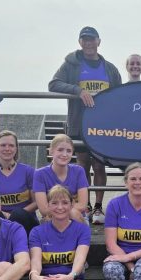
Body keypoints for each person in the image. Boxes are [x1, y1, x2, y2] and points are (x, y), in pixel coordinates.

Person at [48, 26, 122, 225]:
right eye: (85, 39)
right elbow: (53, 84)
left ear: (99, 41)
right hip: (78, 124)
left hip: (102, 127)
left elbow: (119, 97)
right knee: (82, 166)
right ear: (80, 42)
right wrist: (78, 91)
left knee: (99, 165)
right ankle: (85, 205)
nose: (89, 43)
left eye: (92, 39)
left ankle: (98, 207)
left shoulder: (110, 69)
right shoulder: (71, 64)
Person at [0, 130, 38, 234]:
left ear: (16, 149)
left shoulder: (28, 171)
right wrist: (3, 214)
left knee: (18, 215)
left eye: (11, 146)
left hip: (24, 219)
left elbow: (36, 202)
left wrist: (16, 215)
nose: (7, 149)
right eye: (3, 145)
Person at [33, 134, 89, 224]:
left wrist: (57, 207)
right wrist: (67, 208)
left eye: (69, 151)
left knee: (74, 213)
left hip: (76, 217)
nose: (64, 154)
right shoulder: (40, 174)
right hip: (52, 217)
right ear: (51, 151)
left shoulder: (79, 171)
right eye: (60, 150)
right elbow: (43, 210)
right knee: (49, 220)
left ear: (72, 153)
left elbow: (82, 205)